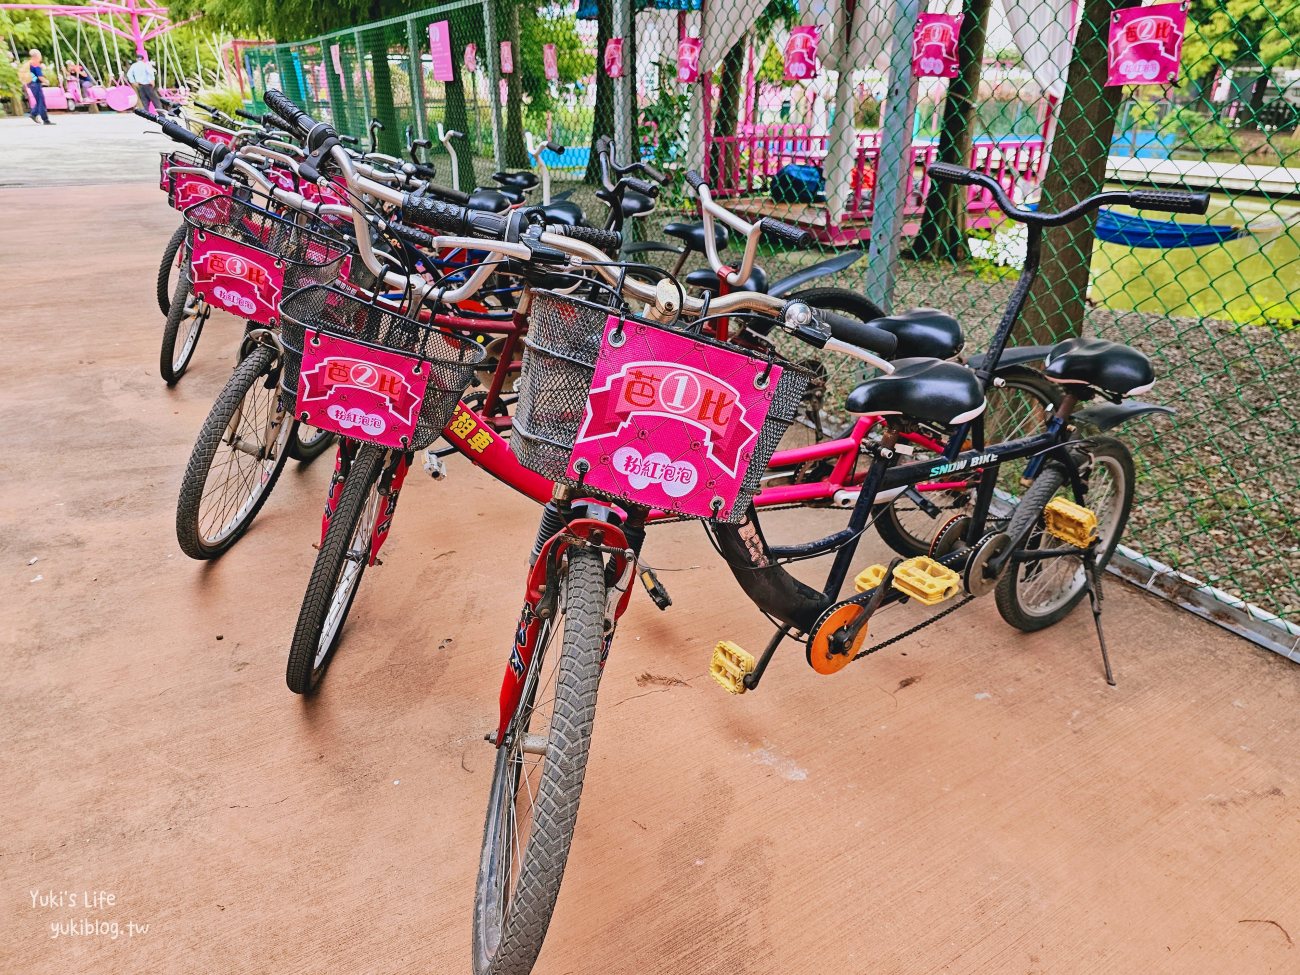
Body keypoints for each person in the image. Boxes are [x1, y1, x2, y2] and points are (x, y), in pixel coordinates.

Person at [24, 49, 54, 125]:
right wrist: (46, 81)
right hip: (36, 84)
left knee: (39, 101)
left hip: (31, 83)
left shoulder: (29, 63)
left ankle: (33, 114)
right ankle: (45, 119)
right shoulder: (35, 64)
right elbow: (40, 77)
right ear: (37, 56)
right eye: (40, 55)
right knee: (41, 102)